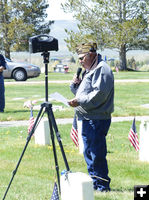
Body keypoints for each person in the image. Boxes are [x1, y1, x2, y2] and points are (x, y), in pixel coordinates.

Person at [68, 42, 114, 192]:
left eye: (82, 58)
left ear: (92, 54)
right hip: (88, 117)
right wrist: (76, 85)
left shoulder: (102, 69)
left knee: (96, 153)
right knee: (88, 152)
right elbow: (83, 92)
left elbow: (99, 95)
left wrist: (79, 101)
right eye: (79, 58)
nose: (80, 61)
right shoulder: (89, 70)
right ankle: (94, 183)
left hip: (97, 118)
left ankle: (102, 185)